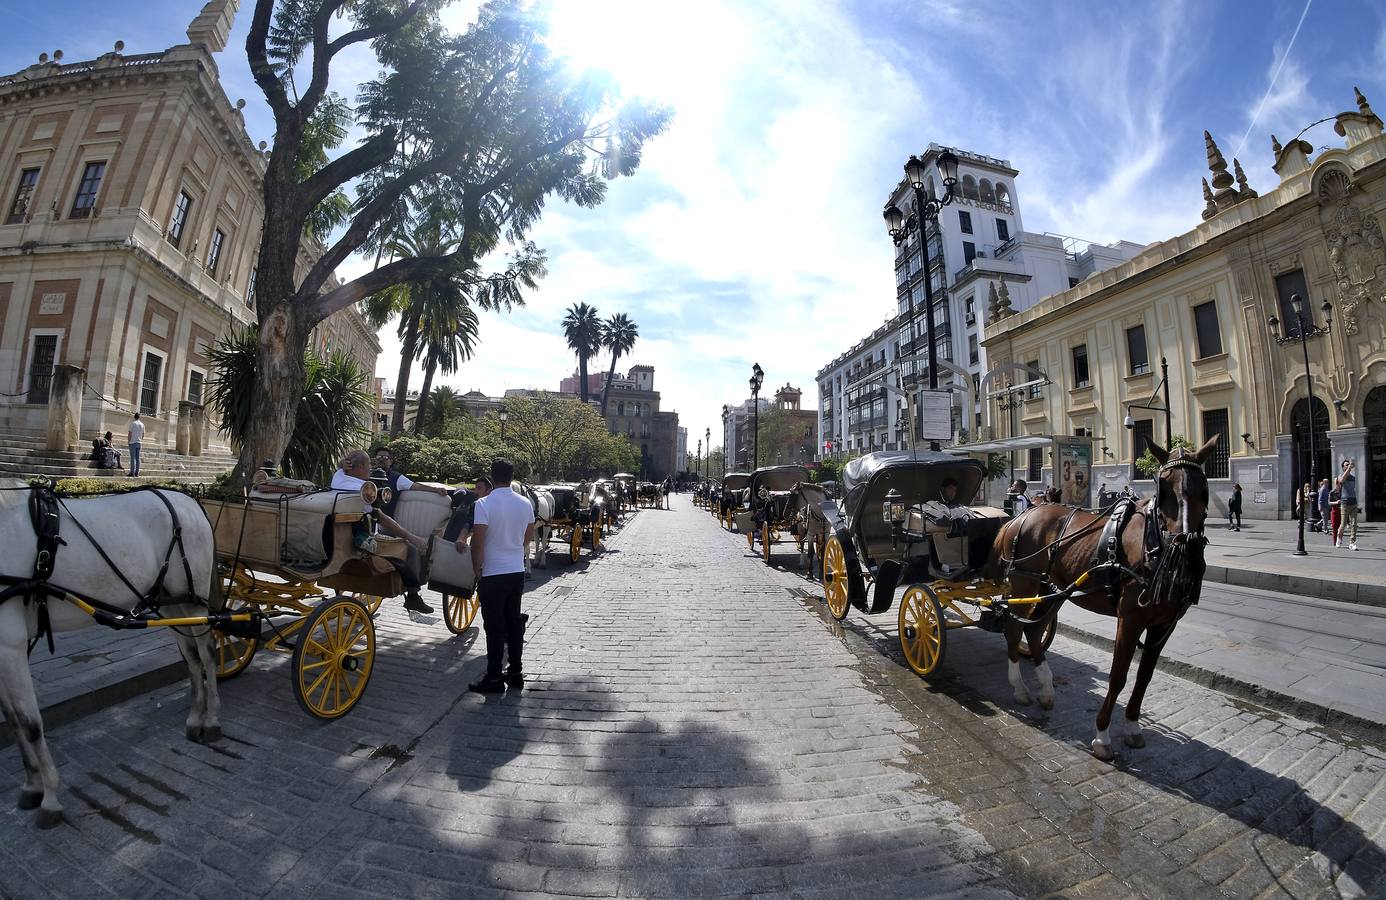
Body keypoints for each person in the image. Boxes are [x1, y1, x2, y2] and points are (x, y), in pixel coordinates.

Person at [330, 449, 435, 615]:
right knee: (410, 550)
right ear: (361, 467)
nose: (370, 468)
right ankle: (413, 595)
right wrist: (410, 536)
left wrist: (342, 464)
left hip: (336, 535)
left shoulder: (338, 476)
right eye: (368, 465)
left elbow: (341, 468)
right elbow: (380, 516)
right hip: (361, 540)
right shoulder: (363, 489)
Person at [469, 457, 536, 694]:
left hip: (493, 572)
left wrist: (477, 569)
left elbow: (477, 542)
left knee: (494, 627)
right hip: (515, 570)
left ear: (492, 476)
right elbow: (527, 539)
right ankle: (515, 672)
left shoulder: (484, 504)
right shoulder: (525, 503)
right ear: (511, 476)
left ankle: (494, 676)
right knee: (513, 623)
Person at [371, 446, 450, 520]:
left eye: (385, 458)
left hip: (384, 522)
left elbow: (415, 486)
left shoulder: (397, 478)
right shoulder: (367, 475)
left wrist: (436, 490)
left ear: (391, 462)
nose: (381, 460)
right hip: (366, 517)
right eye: (379, 457)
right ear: (375, 460)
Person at [1338, 459, 1360, 551]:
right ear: (1343, 467)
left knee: (1354, 524)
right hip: (1345, 503)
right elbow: (1342, 480)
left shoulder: (1353, 477)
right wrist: (1349, 469)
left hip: (1353, 502)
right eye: (1346, 465)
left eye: (1349, 464)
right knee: (1343, 524)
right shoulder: (1340, 476)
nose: (1348, 466)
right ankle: (1339, 539)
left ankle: (1352, 542)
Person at [127, 413, 144, 477]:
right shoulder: (142, 424)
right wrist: (140, 440)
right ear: (139, 417)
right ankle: (137, 472)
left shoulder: (133, 423)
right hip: (139, 442)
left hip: (133, 442)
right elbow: (143, 434)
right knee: (137, 458)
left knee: (133, 458)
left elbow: (130, 433)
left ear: (134, 417)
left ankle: (132, 472)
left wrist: (129, 441)